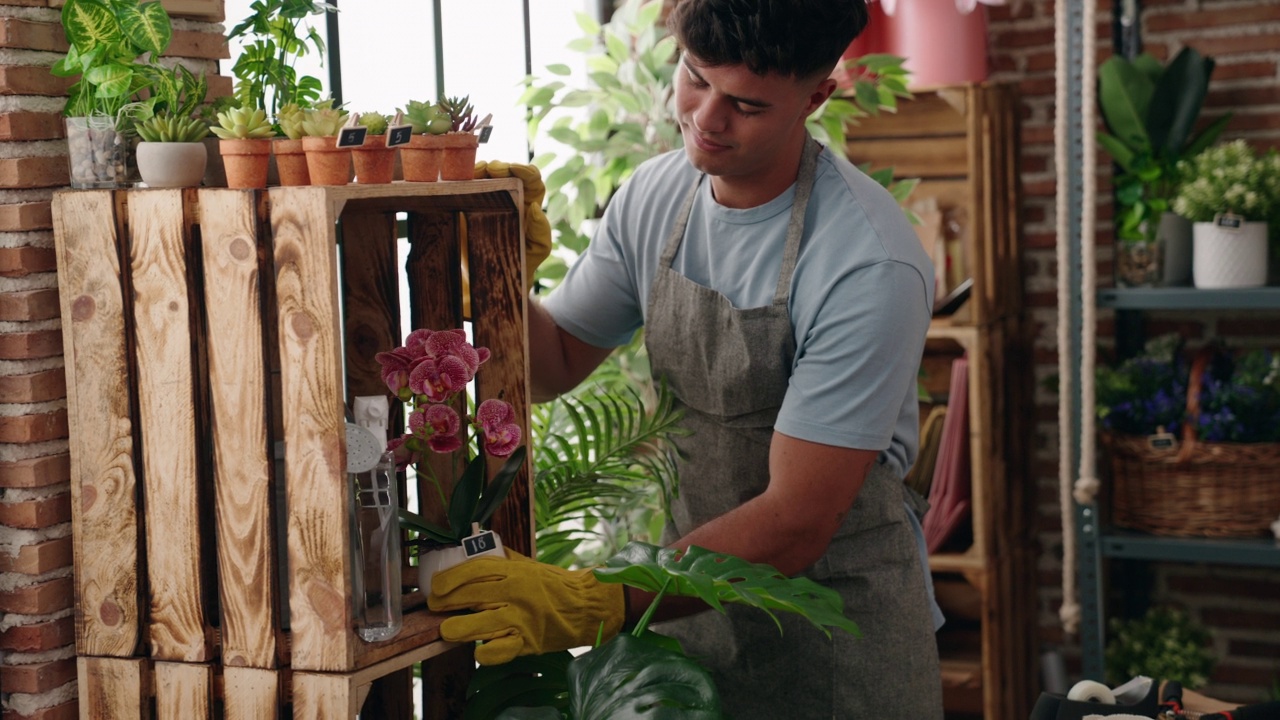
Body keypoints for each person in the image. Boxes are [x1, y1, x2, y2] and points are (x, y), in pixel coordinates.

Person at [428, 1, 945, 716]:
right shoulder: (656, 197)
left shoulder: (867, 263)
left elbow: (797, 518)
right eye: (695, 78)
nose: (707, 117)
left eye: (746, 104)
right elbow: (554, 366)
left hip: (835, 634)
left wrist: (598, 597)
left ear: (817, 96)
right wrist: (501, 275)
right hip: (684, 611)